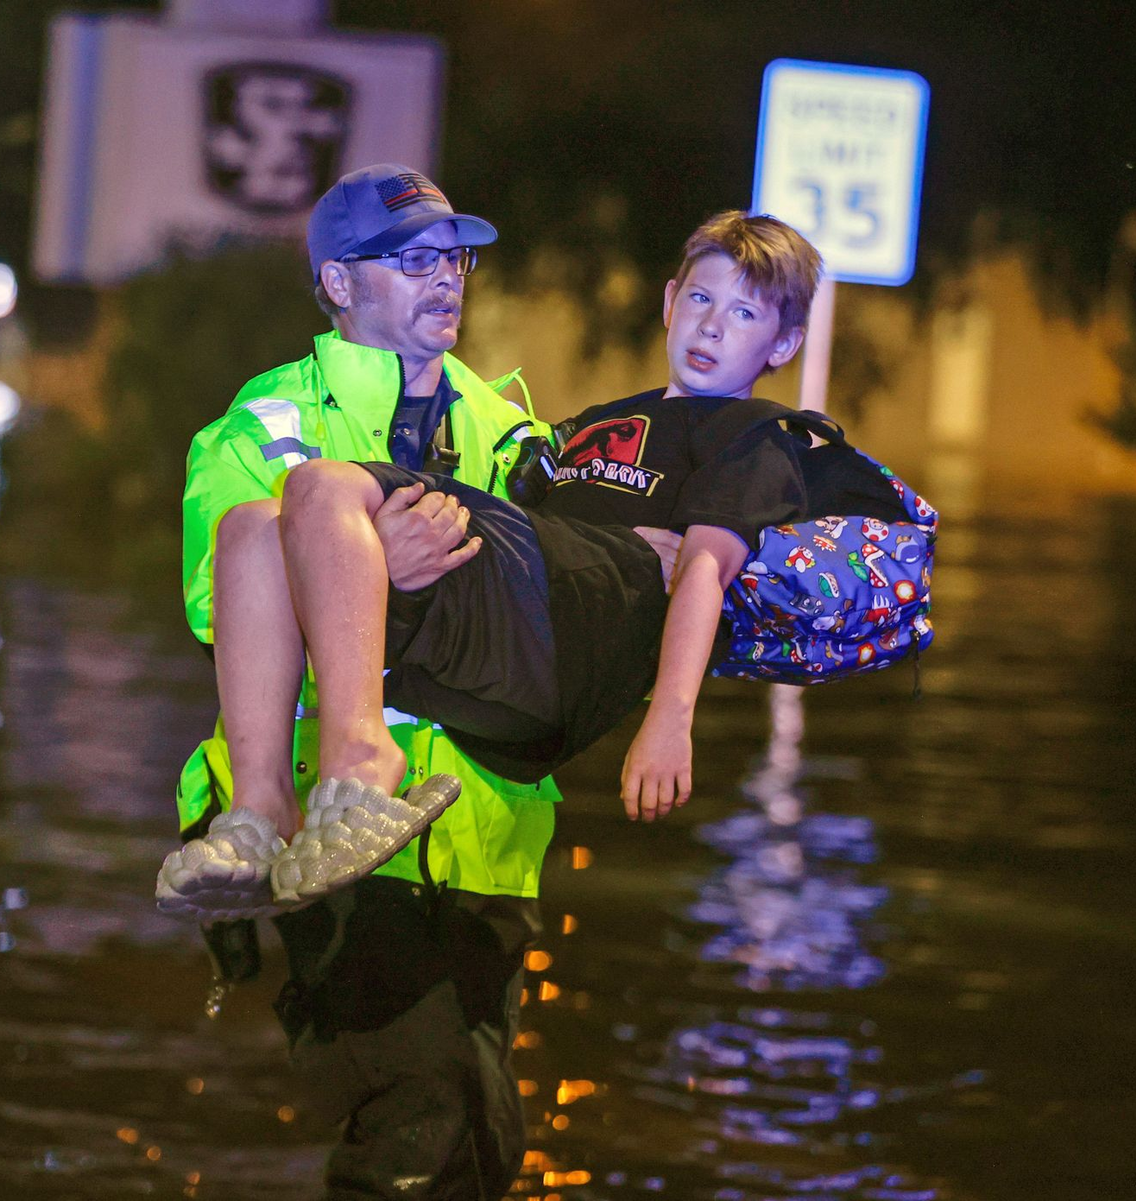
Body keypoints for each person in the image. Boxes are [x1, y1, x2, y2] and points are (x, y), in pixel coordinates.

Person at [169, 211, 824, 912]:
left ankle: (359, 762)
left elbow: (700, 574)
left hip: (549, 656)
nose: (714, 325)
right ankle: (262, 813)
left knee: (321, 486)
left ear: (783, 342)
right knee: (250, 526)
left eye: (744, 311)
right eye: (701, 299)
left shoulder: (752, 440)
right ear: (669, 302)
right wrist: (378, 562)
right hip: (494, 641)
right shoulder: (590, 427)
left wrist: (669, 719)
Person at [166, 164, 590, 1201]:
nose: (445, 277)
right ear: (339, 285)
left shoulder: (514, 432)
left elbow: (559, 605)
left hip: (486, 835)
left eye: (454, 257)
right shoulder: (269, 423)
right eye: (410, 261)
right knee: (423, 1120)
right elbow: (219, 602)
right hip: (328, 831)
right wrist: (371, 569)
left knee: (481, 1134)